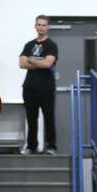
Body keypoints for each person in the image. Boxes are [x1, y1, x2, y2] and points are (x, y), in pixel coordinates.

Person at [20, 14, 59, 155]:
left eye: (44, 25)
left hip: (46, 86)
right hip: (29, 87)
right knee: (31, 118)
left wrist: (31, 59)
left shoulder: (51, 45)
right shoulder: (29, 45)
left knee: (48, 116)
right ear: (35, 26)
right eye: (39, 25)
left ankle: (50, 146)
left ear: (47, 27)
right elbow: (22, 64)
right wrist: (40, 63)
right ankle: (32, 146)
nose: (41, 27)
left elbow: (48, 63)